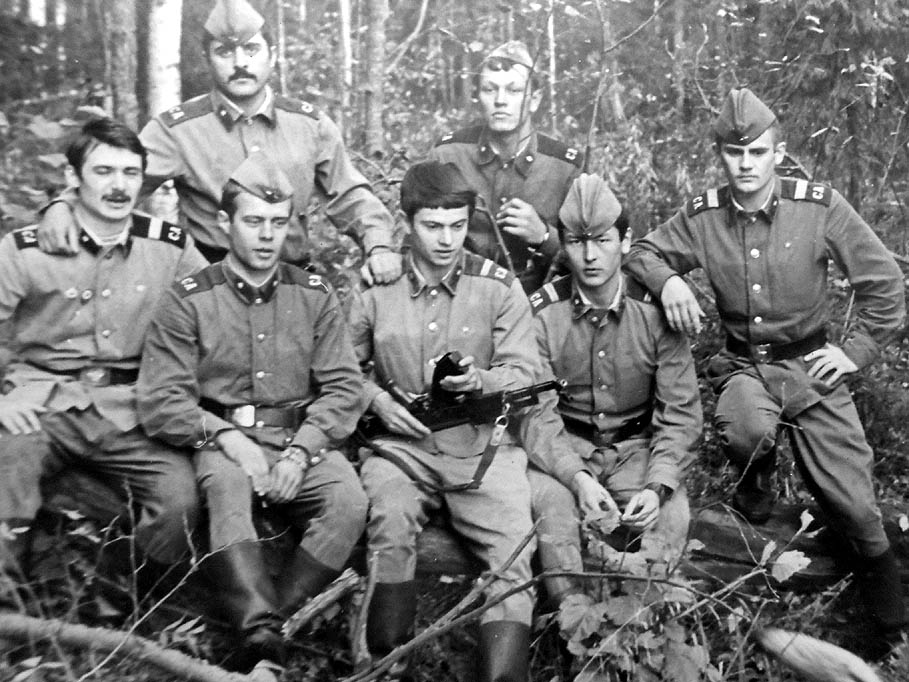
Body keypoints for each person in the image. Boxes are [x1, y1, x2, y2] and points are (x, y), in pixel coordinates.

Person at [624, 88, 907, 642]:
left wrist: (854, 353)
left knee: (857, 507)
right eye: (735, 154)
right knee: (746, 425)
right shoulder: (704, 215)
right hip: (745, 369)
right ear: (721, 156)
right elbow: (641, 252)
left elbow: (885, 284)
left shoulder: (818, 206)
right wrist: (670, 279)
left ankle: (889, 619)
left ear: (777, 153)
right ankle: (756, 479)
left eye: (757, 152)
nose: (746, 165)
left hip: (812, 370)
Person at [137, 156, 368, 671]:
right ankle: (257, 631)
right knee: (226, 487)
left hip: (298, 438)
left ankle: (270, 626)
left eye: (278, 222)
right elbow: (161, 400)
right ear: (225, 222)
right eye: (254, 221)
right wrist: (225, 436)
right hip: (220, 440)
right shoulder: (189, 299)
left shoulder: (313, 295)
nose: (267, 236)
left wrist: (302, 452)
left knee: (348, 500)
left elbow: (344, 388)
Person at [35, 0, 401, 282]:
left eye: (251, 50)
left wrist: (379, 246)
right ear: (208, 59)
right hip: (212, 283)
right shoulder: (178, 130)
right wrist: (64, 205)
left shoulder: (309, 125)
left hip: (293, 280)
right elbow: (120, 181)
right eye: (225, 52)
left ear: (272, 55)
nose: (240, 63)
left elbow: (350, 196)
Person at [348, 161, 539, 681]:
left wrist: (481, 381)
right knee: (389, 518)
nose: (447, 239)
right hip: (400, 447)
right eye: (433, 226)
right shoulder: (376, 288)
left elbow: (526, 372)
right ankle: (385, 665)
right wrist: (374, 399)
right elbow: (339, 369)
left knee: (513, 544)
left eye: (457, 225)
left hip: (482, 448)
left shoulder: (497, 286)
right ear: (407, 222)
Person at [0, 117, 206, 591]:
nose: (119, 186)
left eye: (131, 173)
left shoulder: (170, 247)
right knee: (7, 475)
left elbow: (215, 315)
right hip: (42, 401)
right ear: (73, 177)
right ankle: (9, 615)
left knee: (178, 502)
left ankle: (128, 605)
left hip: (131, 408)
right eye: (104, 171)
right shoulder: (25, 249)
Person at [522, 174, 702, 606]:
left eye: (602, 240)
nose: (589, 256)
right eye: (576, 242)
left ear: (625, 242)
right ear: (563, 246)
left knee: (671, 516)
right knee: (554, 513)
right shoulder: (542, 315)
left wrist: (658, 485)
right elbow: (536, 414)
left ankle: (641, 626)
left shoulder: (655, 313)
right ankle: (574, 627)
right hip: (565, 448)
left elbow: (680, 413)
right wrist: (577, 477)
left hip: (635, 450)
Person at [428, 40, 583, 293]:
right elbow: (416, 233)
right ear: (478, 96)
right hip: (459, 296)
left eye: (514, 91)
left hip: (537, 302)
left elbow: (596, 254)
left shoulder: (565, 167)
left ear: (534, 100)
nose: (500, 101)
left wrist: (544, 236)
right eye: (490, 90)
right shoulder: (447, 156)